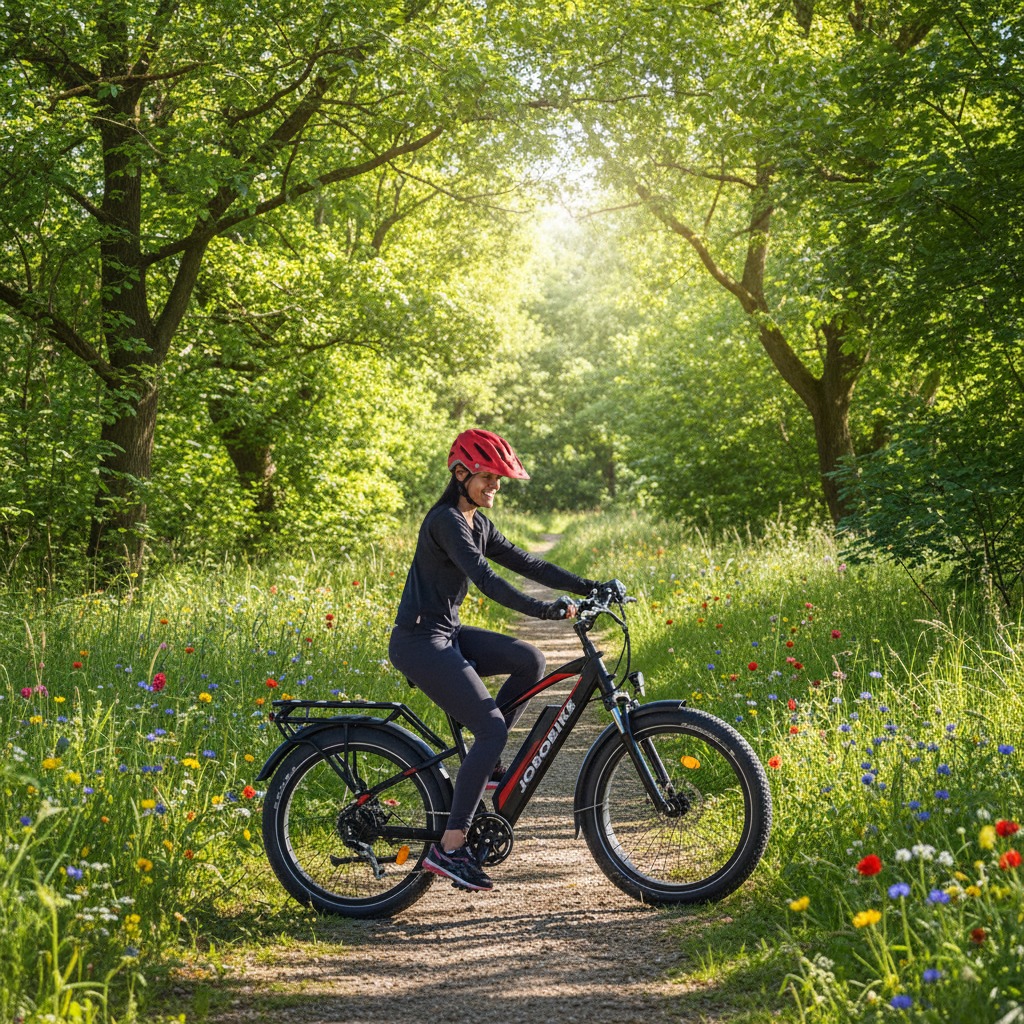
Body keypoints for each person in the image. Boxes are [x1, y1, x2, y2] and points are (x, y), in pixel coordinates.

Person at [388, 428, 599, 892]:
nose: (496, 487)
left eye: (500, 480)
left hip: (447, 634)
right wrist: (545, 610)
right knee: (491, 728)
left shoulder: (477, 523)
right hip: (420, 642)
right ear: (461, 473)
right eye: (489, 477)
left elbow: (529, 563)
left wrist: (590, 586)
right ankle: (451, 845)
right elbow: (486, 579)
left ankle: (484, 763)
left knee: (528, 659)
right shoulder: (445, 520)